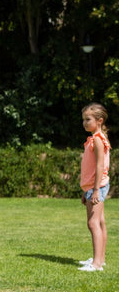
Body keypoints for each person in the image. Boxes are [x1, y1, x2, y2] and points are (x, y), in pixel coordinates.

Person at [78, 102, 111, 272]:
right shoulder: (94, 138)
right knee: (100, 221)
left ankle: (97, 264)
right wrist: (86, 192)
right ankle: (100, 259)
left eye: (88, 119)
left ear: (99, 120)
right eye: (83, 119)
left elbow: (100, 166)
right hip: (92, 187)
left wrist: (96, 190)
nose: (84, 122)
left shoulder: (98, 140)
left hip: (96, 187)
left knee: (93, 223)